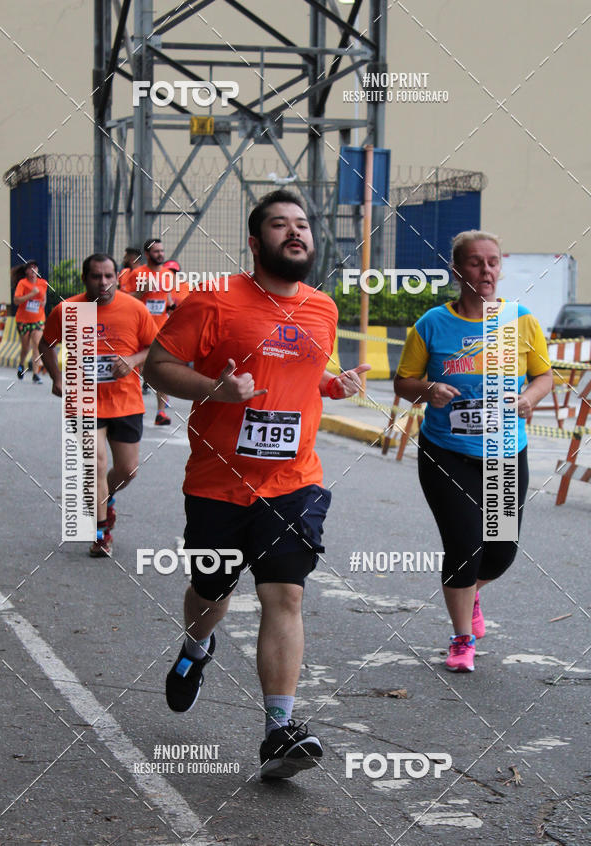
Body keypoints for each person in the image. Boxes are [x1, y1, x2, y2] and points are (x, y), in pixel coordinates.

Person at [143, 189, 369, 779]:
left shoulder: (322, 307)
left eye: (302, 225)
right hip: (218, 481)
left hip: (294, 481)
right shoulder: (215, 299)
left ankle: (279, 730)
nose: (295, 233)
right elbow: (158, 367)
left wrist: (330, 386)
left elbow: (303, 371)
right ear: (255, 240)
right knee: (211, 593)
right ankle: (196, 648)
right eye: (279, 225)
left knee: (284, 593)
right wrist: (216, 390)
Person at [394, 230, 553, 672]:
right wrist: (429, 389)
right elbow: (403, 382)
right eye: (476, 262)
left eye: (493, 262)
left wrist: (530, 399)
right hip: (446, 452)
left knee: (500, 552)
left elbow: (544, 375)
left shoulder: (519, 320)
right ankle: (462, 638)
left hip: (504, 451)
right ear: (457, 269)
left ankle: (470, 590)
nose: (486, 271)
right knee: (464, 545)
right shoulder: (432, 324)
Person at [39, 253, 158, 557]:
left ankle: (106, 496)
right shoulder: (68, 310)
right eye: (96, 276)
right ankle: (101, 534)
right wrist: (57, 378)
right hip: (84, 401)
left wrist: (132, 360)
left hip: (126, 401)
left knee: (128, 470)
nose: (103, 282)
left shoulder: (135, 309)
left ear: (117, 277)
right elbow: (46, 343)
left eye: (109, 276)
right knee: (96, 464)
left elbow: (154, 347)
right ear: (85, 279)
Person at [130, 238, 174, 424]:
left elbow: (168, 299)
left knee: (162, 371)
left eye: (162, 251)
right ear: (147, 254)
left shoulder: (167, 275)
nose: (160, 254)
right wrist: (142, 291)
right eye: (156, 251)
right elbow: (125, 298)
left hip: (161, 330)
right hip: (139, 330)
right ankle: (134, 409)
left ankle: (161, 413)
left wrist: (172, 309)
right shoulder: (137, 274)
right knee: (136, 371)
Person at [13, 261, 49, 383]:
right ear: (26, 271)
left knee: (36, 345)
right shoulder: (22, 284)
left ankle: (35, 373)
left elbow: (44, 299)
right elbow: (16, 301)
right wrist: (31, 294)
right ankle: (21, 364)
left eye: (35, 268)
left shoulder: (43, 283)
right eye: (30, 268)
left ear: (37, 271)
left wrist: (42, 302)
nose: (33, 271)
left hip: (38, 319)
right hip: (23, 320)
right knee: (25, 347)